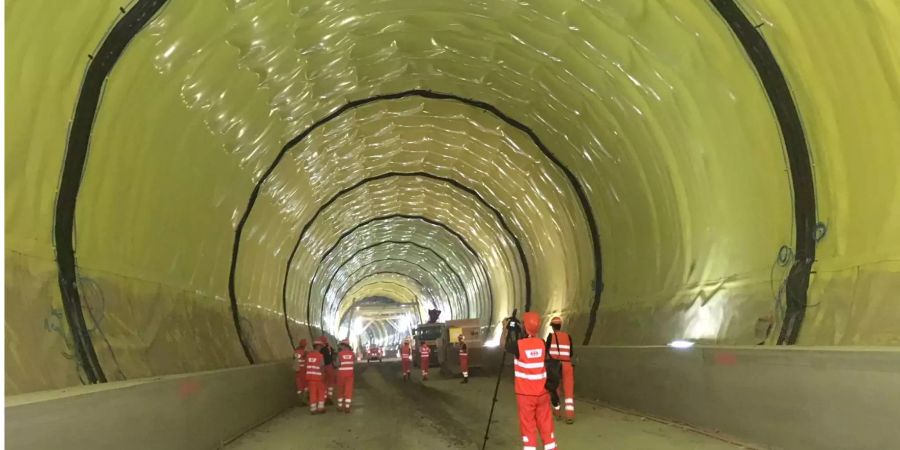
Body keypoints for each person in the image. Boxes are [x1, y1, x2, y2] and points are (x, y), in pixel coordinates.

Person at [506, 312, 557, 450]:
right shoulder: (542, 343)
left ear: (524, 327)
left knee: (528, 428)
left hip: (526, 396)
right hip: (542, 394)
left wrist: (508, 328)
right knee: (547, 427)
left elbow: (502, 345)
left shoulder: (518, 345)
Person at [546, 316, 575, 424]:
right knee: (569, 391)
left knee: (555, 389)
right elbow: (571, 353)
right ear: (560, 326)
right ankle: (570, 416)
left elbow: (546, 351)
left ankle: (557, 412)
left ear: (552, 327)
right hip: (567, 365)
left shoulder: (550, 336)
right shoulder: (568, 337)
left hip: (555, 365)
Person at [306, 338, 326, 414]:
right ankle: (320, 408)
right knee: (321, 392)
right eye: (320, 346)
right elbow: (321, 367)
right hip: (318, 377)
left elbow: (306, 366)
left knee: (312, 393)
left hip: (310, 378)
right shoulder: (320, 356)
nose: (321, 348)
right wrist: (323, 375)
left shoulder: (308, 355)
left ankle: (313, 409)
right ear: (317, 346)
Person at [336, 339, 356, 413]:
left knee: (340, 390)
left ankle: (340, 406)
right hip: (350, 374)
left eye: (341, 345)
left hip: (341, 374)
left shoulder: (339, 354)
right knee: (348, 390)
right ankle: (347, 407)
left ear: (344, 345)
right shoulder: (352, 354)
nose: (341, 346)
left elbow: (337, 364)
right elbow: (354, 362)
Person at [320, 336, 336, 404]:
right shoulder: (329, 347)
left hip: (322, 367)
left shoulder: (320, 349)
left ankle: (324, 397)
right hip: (329, 366)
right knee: (330, 383)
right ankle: (329, 397)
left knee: (324, 383)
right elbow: (333, 353)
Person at [293, 339, 308, 403]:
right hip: (303, 371)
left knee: (299, 386)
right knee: (305, 385)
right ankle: (304, 399)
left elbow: (294, 359)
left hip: (298, 371)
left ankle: (300, 400)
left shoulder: (295, 351)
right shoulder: (305, 352)